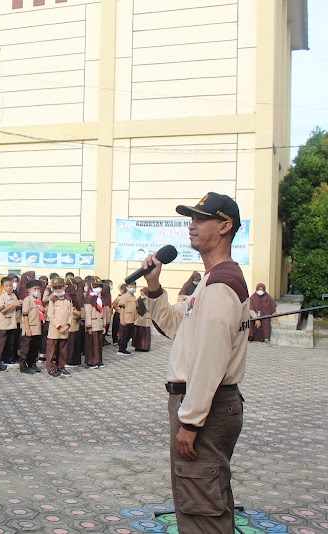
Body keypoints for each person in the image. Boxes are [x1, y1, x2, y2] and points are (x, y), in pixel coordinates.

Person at [143, 192, 249, 532]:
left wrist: (190, 421)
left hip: (206, 409)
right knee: (204, 499)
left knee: (202, 508)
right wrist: (155, 286)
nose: (192, 226)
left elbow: (210, 362)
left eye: (200, 219)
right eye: (191, 219)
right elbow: (176, 325)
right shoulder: (210, 279)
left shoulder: (220, 284)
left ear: (225, 226)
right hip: (206, 406)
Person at [45, 277, 73, 377]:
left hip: (65, 330)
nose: (58, 290)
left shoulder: (68, 299)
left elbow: (71, 314)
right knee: (51, 350)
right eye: (55, 288)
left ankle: (61, 367)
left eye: (60, 287)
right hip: (54, 330)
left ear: (64, 287)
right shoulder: (53, 300)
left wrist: (67, 325)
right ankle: (51, 368)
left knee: (63, 350)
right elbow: (50, 315)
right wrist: (59, 327)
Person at [0, 276, 20, 370]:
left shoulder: (14, 296)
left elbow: (16, 308)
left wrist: (19, 305)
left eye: (10, 285)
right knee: (1, 343)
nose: (9, 288)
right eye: (7, 286)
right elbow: (3, 310)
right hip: (4, 324)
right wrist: (13, 305)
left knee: (10, 343)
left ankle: (8, 359)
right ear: (2, 287)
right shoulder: (2, 297)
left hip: (12, 323)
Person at [19, 280, 43, 374]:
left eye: (38, 289)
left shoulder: (38, 300)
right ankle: (23, 366)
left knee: (34, 348)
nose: (37, 290)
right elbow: (25, 315)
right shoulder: (27, 300)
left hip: (37, 327)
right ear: (29, 290)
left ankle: (32, 363)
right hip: (29, 327)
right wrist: (27, 329)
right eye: (35, 289)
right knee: (26, 347)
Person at [84, 277, 106, 369]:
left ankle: (98, 360)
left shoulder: (100, 298)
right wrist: (88, 326)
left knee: (99, 344)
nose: (99, 289)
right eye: (96, 286)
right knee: (92, 344)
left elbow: (103, 312)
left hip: (99, 324)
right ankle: (91, 361)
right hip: (92, 324)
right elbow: (87, 313)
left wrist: (104, 324)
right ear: (92, 286)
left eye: (100, 286)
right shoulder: (89, 298)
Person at [115, 283, 138, 356]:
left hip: (132, 319)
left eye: (134, 287)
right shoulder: (124, 297)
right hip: (126, 319)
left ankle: (123, 347)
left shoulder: (134, 297)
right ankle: (121, 349)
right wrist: (122, 320)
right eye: (131, 287)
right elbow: (122, 309)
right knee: (123, 335)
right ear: (127, 287)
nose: (132, 288)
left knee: (129, 334)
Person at [132, 288, 152, 352]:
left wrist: (145, 300)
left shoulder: (149, 300)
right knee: (138, 333)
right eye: (141, 294)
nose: (142, 295)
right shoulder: (139, 299)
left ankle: (145, 347)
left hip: (146, 319)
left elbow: (149, 308)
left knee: (145, 334)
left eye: (143, 294)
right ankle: (137, 346)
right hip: (139, 318)